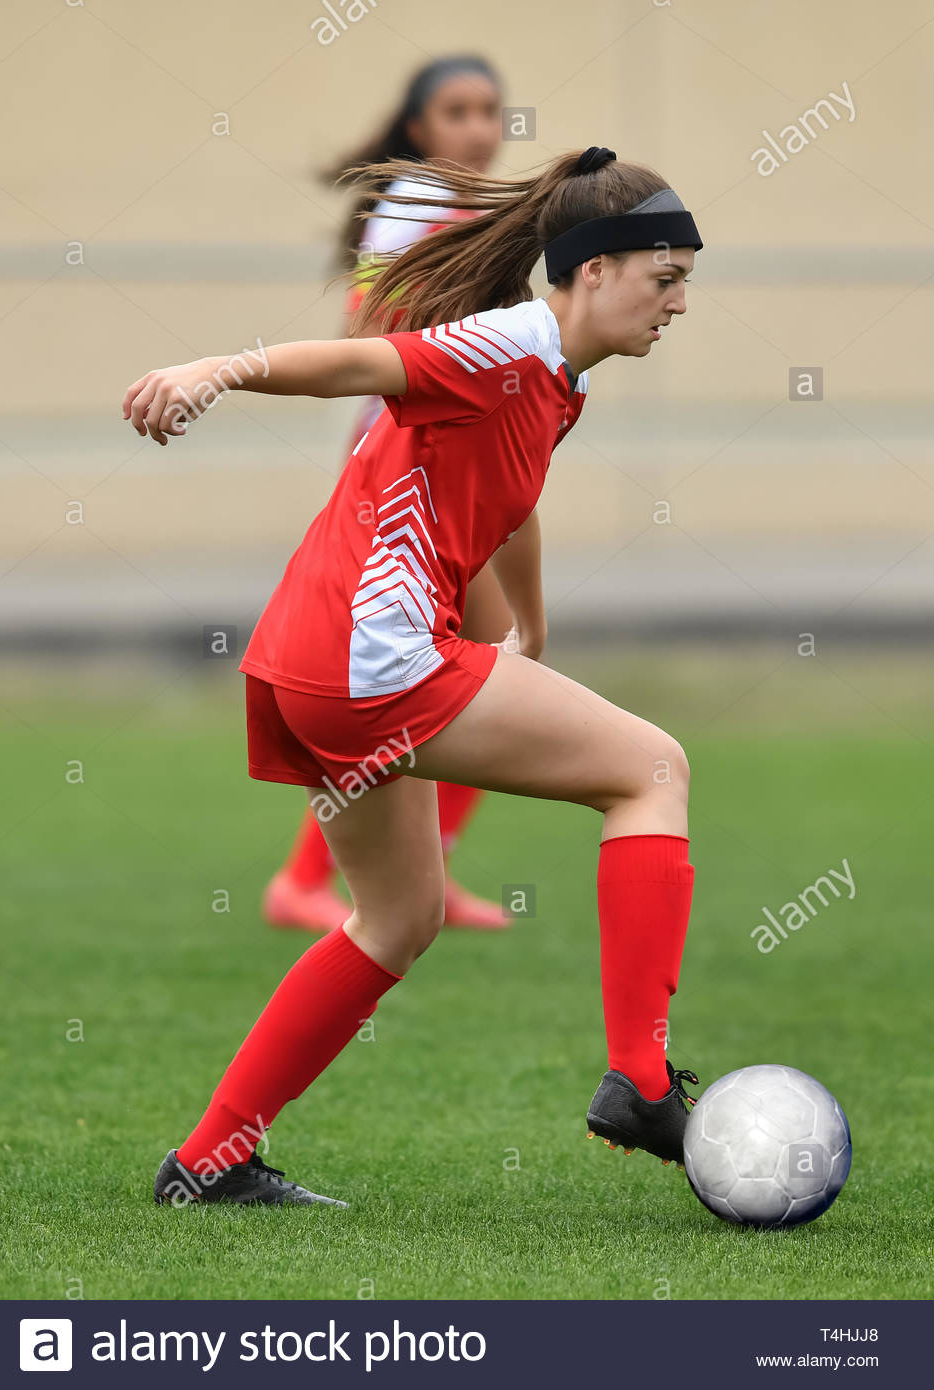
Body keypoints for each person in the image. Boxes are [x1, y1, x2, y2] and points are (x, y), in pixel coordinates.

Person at [123, 146, 704, 1208]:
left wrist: (528, 623)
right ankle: (643, 1079)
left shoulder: (553, 378)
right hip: (372, 662)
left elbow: (506, 496)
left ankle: (209, 1160)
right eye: (664, 280)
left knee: (397, 917)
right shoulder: (497, 346)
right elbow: (362, 365)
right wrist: (219, 368)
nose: (677, 304)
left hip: (312, 656)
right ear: (593, 269)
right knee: (652, 769)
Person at [265, 55, 513, 934]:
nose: (480, 129)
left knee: (480, 666)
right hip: (402, 473)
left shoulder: (468, 209)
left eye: (491, 111)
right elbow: (368, 334)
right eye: (458, 111)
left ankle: (406, 877)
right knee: (480, 665)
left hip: (439, 471)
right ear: (419, 128)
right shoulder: (417, 205)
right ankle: (324, 880)